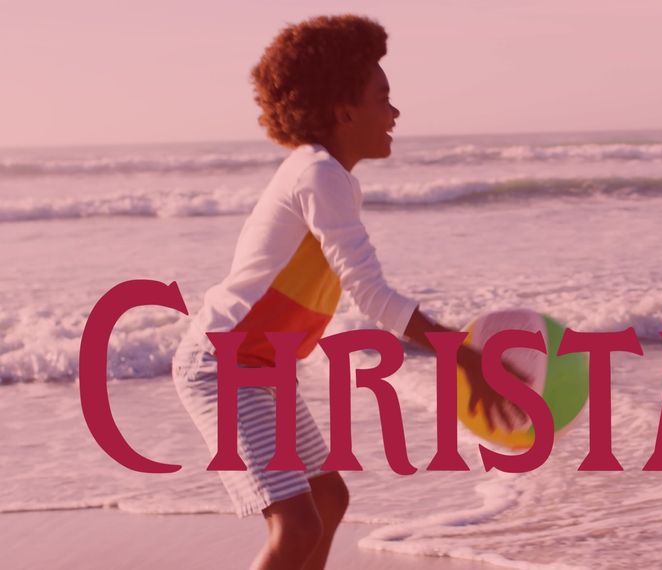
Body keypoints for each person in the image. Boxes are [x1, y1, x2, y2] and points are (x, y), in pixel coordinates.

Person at [171, 15, 520, 569]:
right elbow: (370, 293)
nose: (395, 113)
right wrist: (463, 355)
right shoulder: (318, 175)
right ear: (344, 111)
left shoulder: (330, 177)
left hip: (261, 369)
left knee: (328, 498)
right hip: (223, 365)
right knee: (297, 524)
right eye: (383, 98)